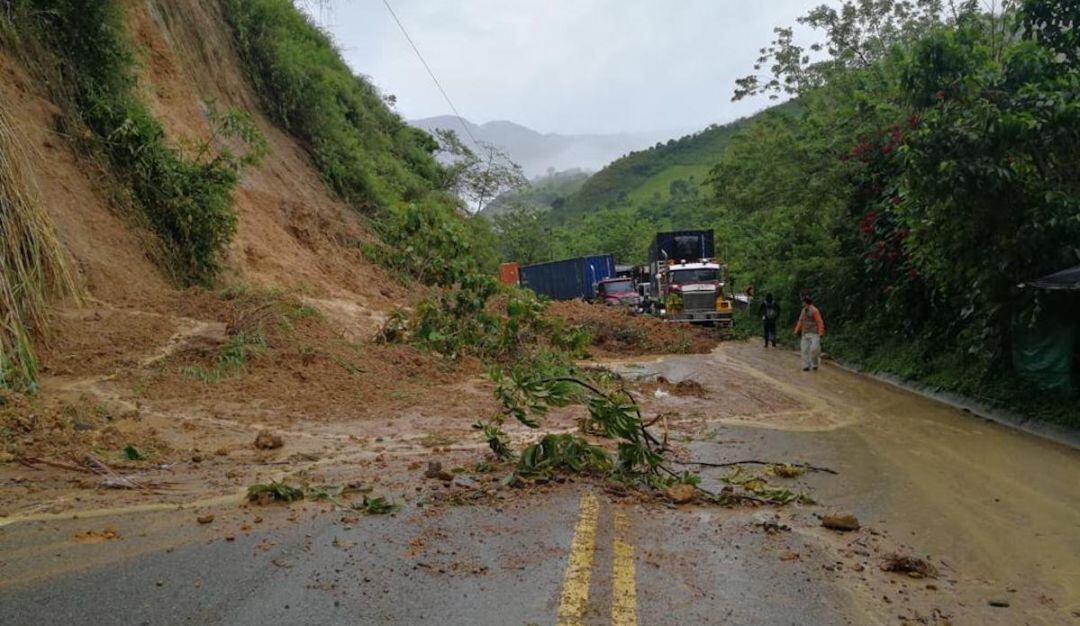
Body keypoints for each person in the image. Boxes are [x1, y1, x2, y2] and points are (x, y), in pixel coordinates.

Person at [794, 295, 825, 371]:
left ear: (805, 302)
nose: (801, 303)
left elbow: (819, 321)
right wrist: (796, 330)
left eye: (802, 302)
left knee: (814, 350)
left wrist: (821, 332)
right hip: (805, 333)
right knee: (804, 350)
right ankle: (806, 365)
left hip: (814, 333)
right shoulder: (803, 311)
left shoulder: (814, 311)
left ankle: (815, 364)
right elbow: (800, 321)